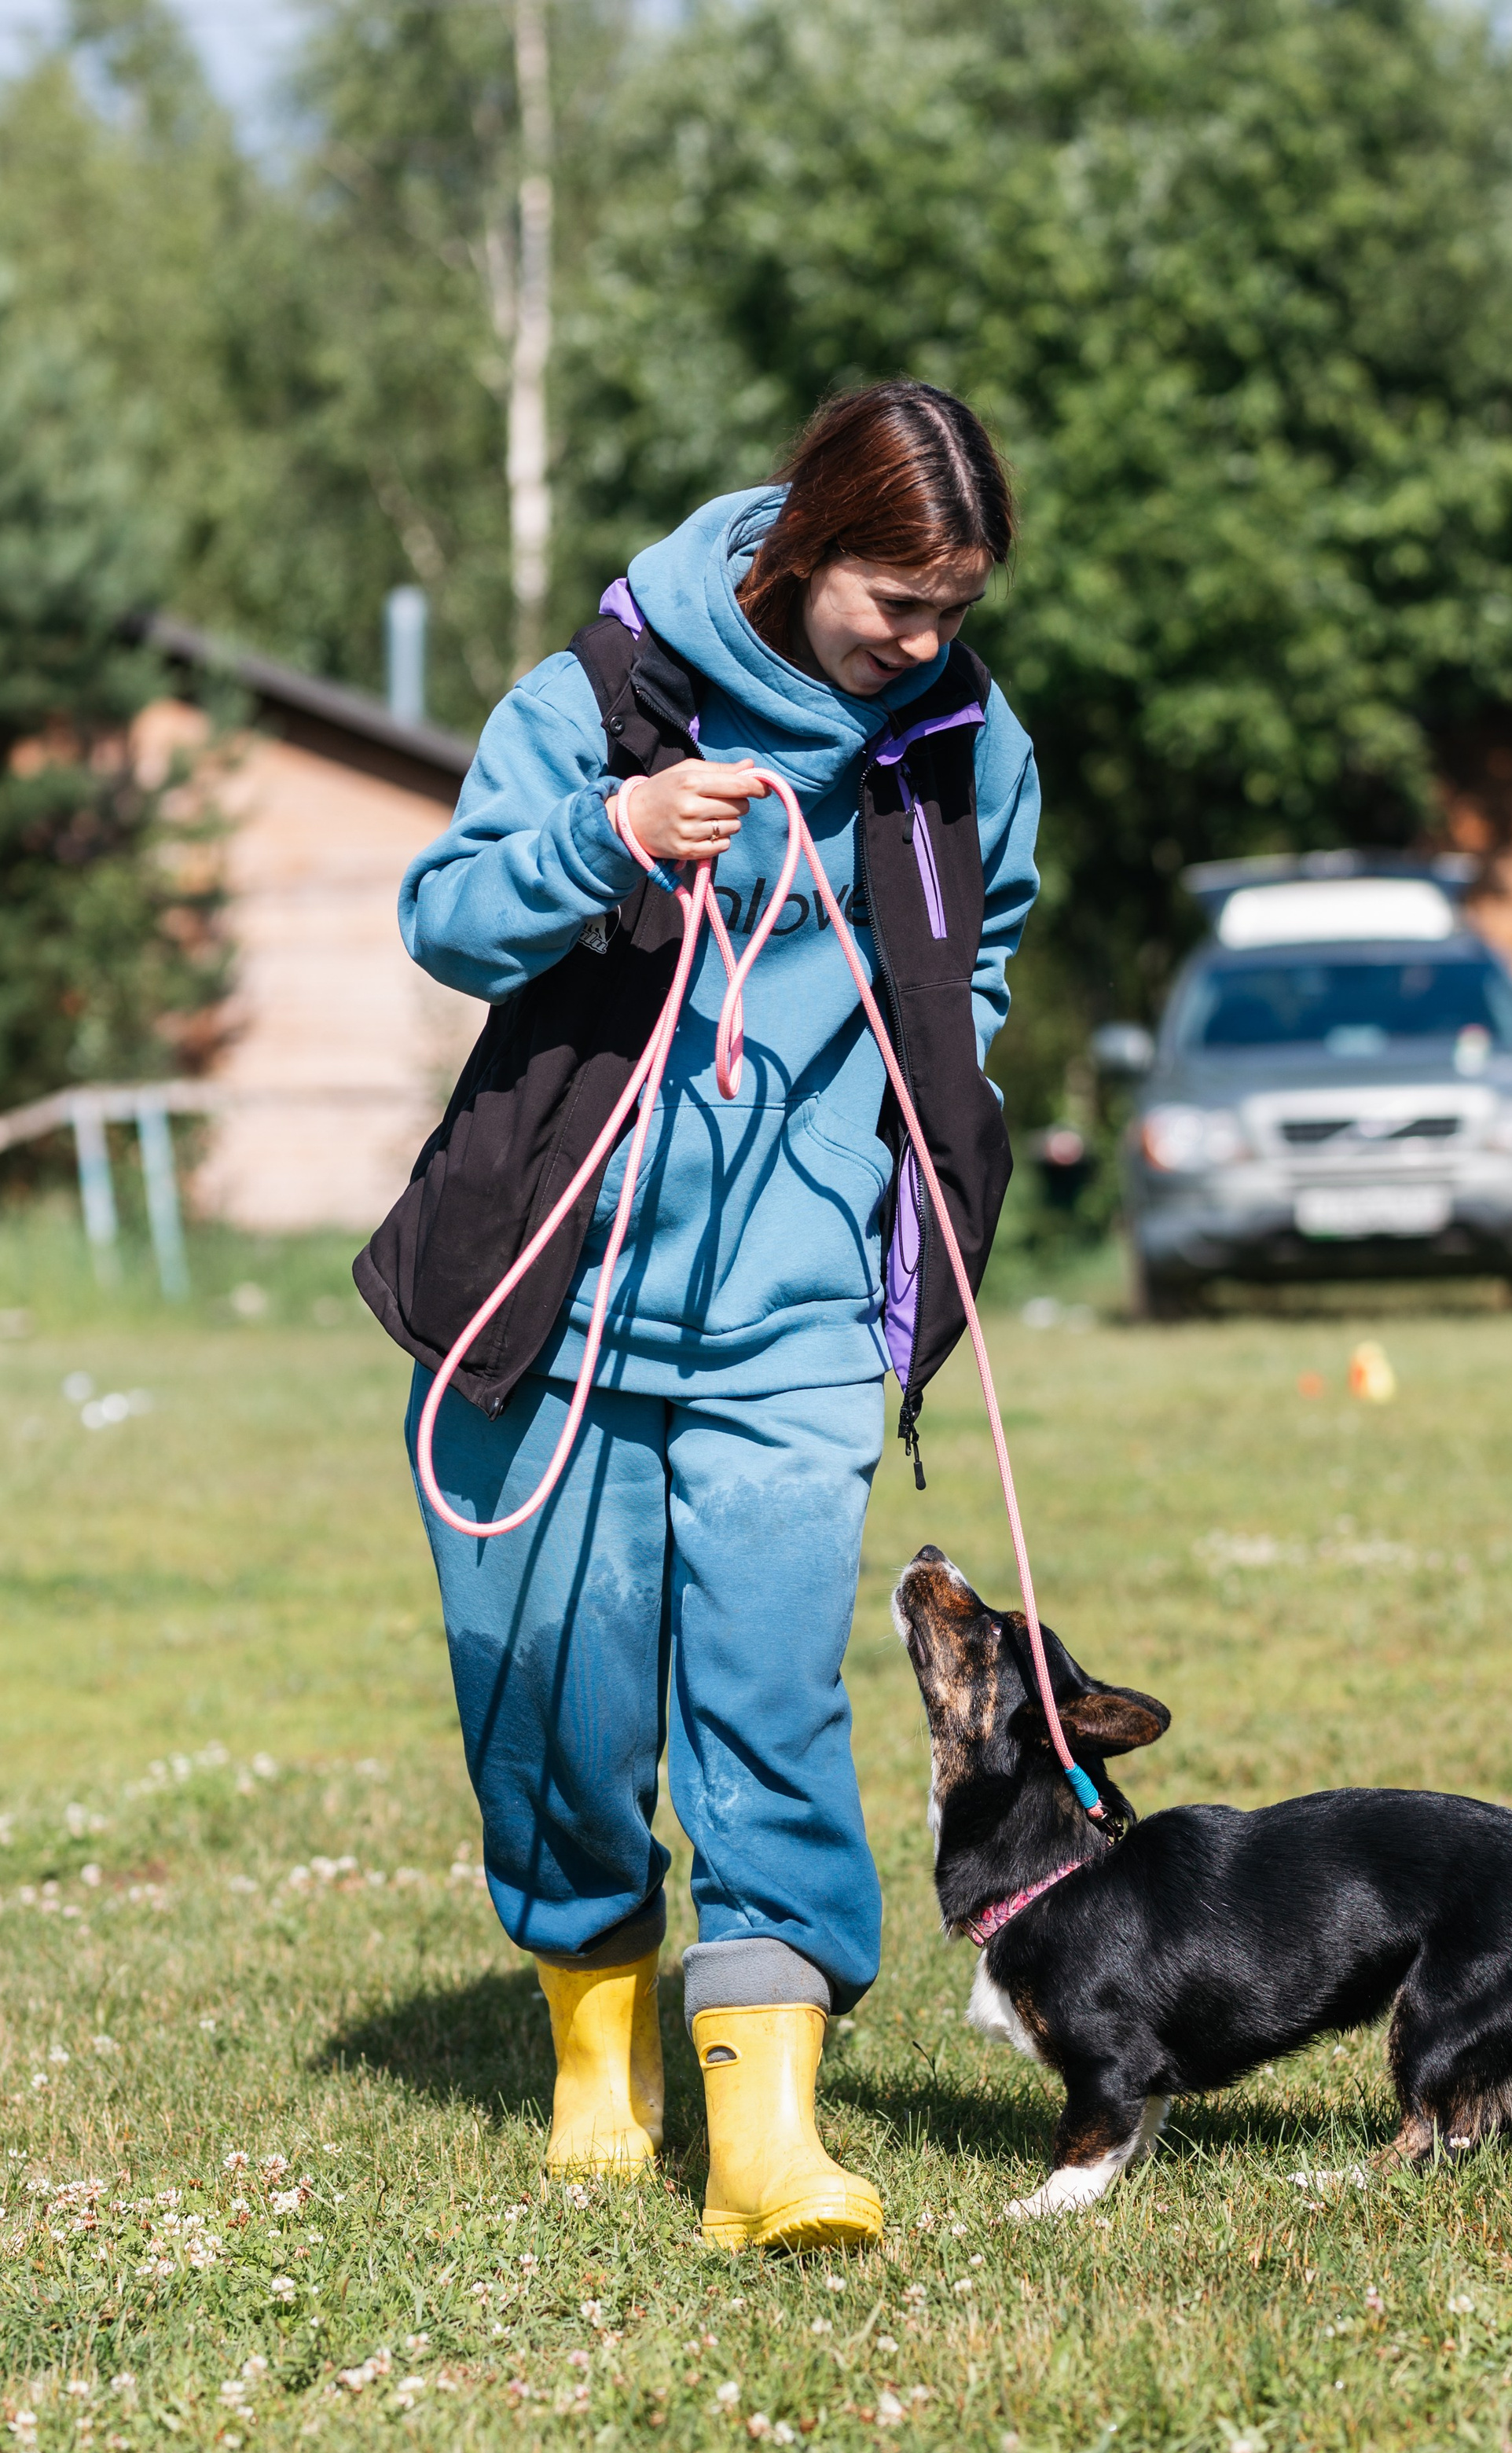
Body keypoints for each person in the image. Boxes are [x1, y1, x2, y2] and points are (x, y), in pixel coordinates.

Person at [357, 383, 1039, 2250]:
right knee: (552, 1713)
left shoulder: (964, 745)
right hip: (551, 1302)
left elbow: (979, 942)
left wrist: (913, 1111)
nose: (922, 642)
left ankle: (765, 2144)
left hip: (795, 1314)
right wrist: (611, 834)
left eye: (951, 611)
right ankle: (597, 2043)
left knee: (766, 1703)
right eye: (895, 602)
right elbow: (446, 917)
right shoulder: (601, 696)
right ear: (802, 547)